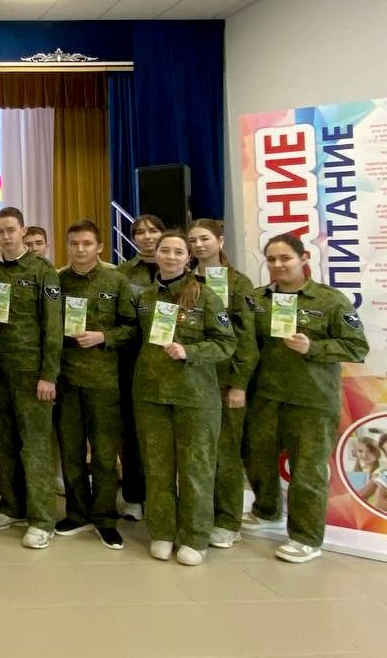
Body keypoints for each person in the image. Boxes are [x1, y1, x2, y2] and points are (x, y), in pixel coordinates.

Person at [243, 233, 368, 563]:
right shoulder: (257, 299)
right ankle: (266, 511)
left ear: (304, 258)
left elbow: (357, 347)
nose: (278, 265)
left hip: (312, 400)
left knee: (307, 470)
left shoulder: (330, 300)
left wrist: (313, 347)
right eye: (271, 259)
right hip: (265, 396)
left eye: (285, 258)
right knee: (257, 457)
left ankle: (306, 537)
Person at [133, 232, 235, 566]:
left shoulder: (205, 296)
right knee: (157, 468)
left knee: (195, 469)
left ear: (188, 258)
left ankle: (194, 537)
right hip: (151, 395)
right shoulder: (145, 297)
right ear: (156, 254)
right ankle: (162, 531)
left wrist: (190, 351)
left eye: (178, 252)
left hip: (195, 397)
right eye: (165, 250)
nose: (171, 256)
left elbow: (226, 343)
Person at [0, 207, 61, 550]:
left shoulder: (42, 270)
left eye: (11, 230)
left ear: (23, 231)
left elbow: (53, 327)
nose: (5, 236)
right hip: (0, 372)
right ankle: (12, 506)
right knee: (6, 443)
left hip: (32, 374)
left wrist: (48, 375)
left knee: (35, 446)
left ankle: (42, 519)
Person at [54, 220, 137, 550]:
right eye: (74, 243)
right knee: (71, 451)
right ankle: (76, 513)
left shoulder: (116, 281)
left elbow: (131, 327)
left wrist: (104, 336)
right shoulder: (58, 281)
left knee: (103, 455)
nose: (80, 249)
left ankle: (105, 518)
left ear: (100, 246)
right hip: (67, 380)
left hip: (104, 382)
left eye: (87, 243)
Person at [186, 219, 260, 550]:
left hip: (224, 381)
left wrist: (239, 384)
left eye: (204, 238)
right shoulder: (186, 281)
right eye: (192, 240)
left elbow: (247, 340)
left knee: (225, 452)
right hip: (191, 380)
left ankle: (229, 521)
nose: (198, 245)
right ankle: (201, 515)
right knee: (198, 454)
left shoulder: (238, 283)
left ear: (220, 240)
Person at [115, 214, 166, 521]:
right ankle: (134, 495)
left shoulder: (180, 271)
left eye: (153, 230)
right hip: (133, 360)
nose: (147, 237)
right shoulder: (123, 274)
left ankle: (165, 499)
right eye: (140, 232)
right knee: (133, 431)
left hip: (172, 361)